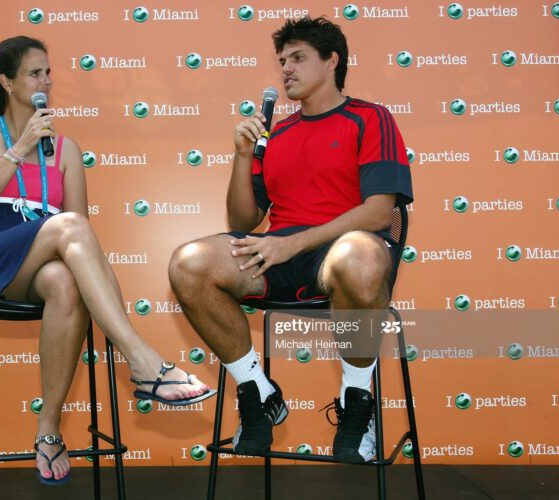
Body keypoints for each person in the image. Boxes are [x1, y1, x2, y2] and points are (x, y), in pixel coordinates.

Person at [0, 36, 214, 486]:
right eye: (36, 74)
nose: (46, 82)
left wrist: (42, 148)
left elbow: (78, 235)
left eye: (49, 73)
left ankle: (47, 430)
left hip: (33, 267)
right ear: (8, 82)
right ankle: (143, 361)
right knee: (67, 226)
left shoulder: (65, 148)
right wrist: (19, 149)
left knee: (66, 282)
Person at [168, 17, 412, 463]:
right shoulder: (275, 133)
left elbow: (380, 211)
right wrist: (243, 158)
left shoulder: (370, 117)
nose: (286, 70)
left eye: (298, 58)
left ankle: (358, 400)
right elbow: (244, 218)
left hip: (345, 252)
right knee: (190, 262)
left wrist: (293, 244)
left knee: (357, 257)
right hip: (280, 254)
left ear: (331, 61)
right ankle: (257, 391)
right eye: (282, 61)